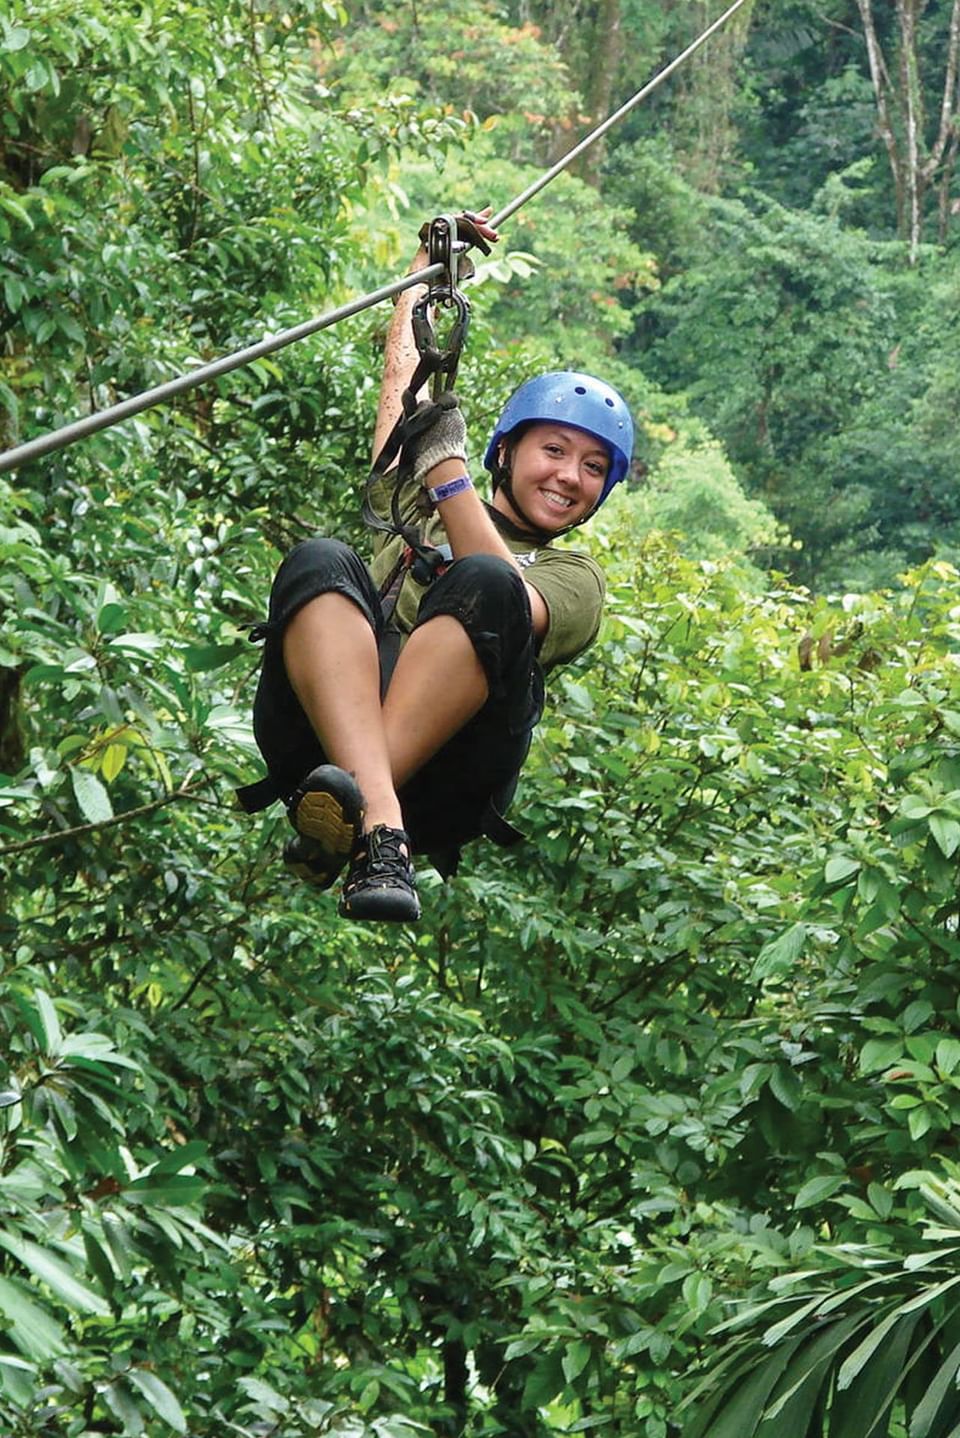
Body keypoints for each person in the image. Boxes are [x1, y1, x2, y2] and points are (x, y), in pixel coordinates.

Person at [240, 209, 634, 923]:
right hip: (318, 748)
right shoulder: (412, 509)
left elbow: (504, 596)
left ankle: (368, 819)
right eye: (554, 451)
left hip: (449, 779)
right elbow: (404, 391)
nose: (569, 476)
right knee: (320, 560)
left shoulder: (576, 579)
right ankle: (375, 826)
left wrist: (447, 476)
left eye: (592, 467)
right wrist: (430, 268)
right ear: (508, 452)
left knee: (485, 583)